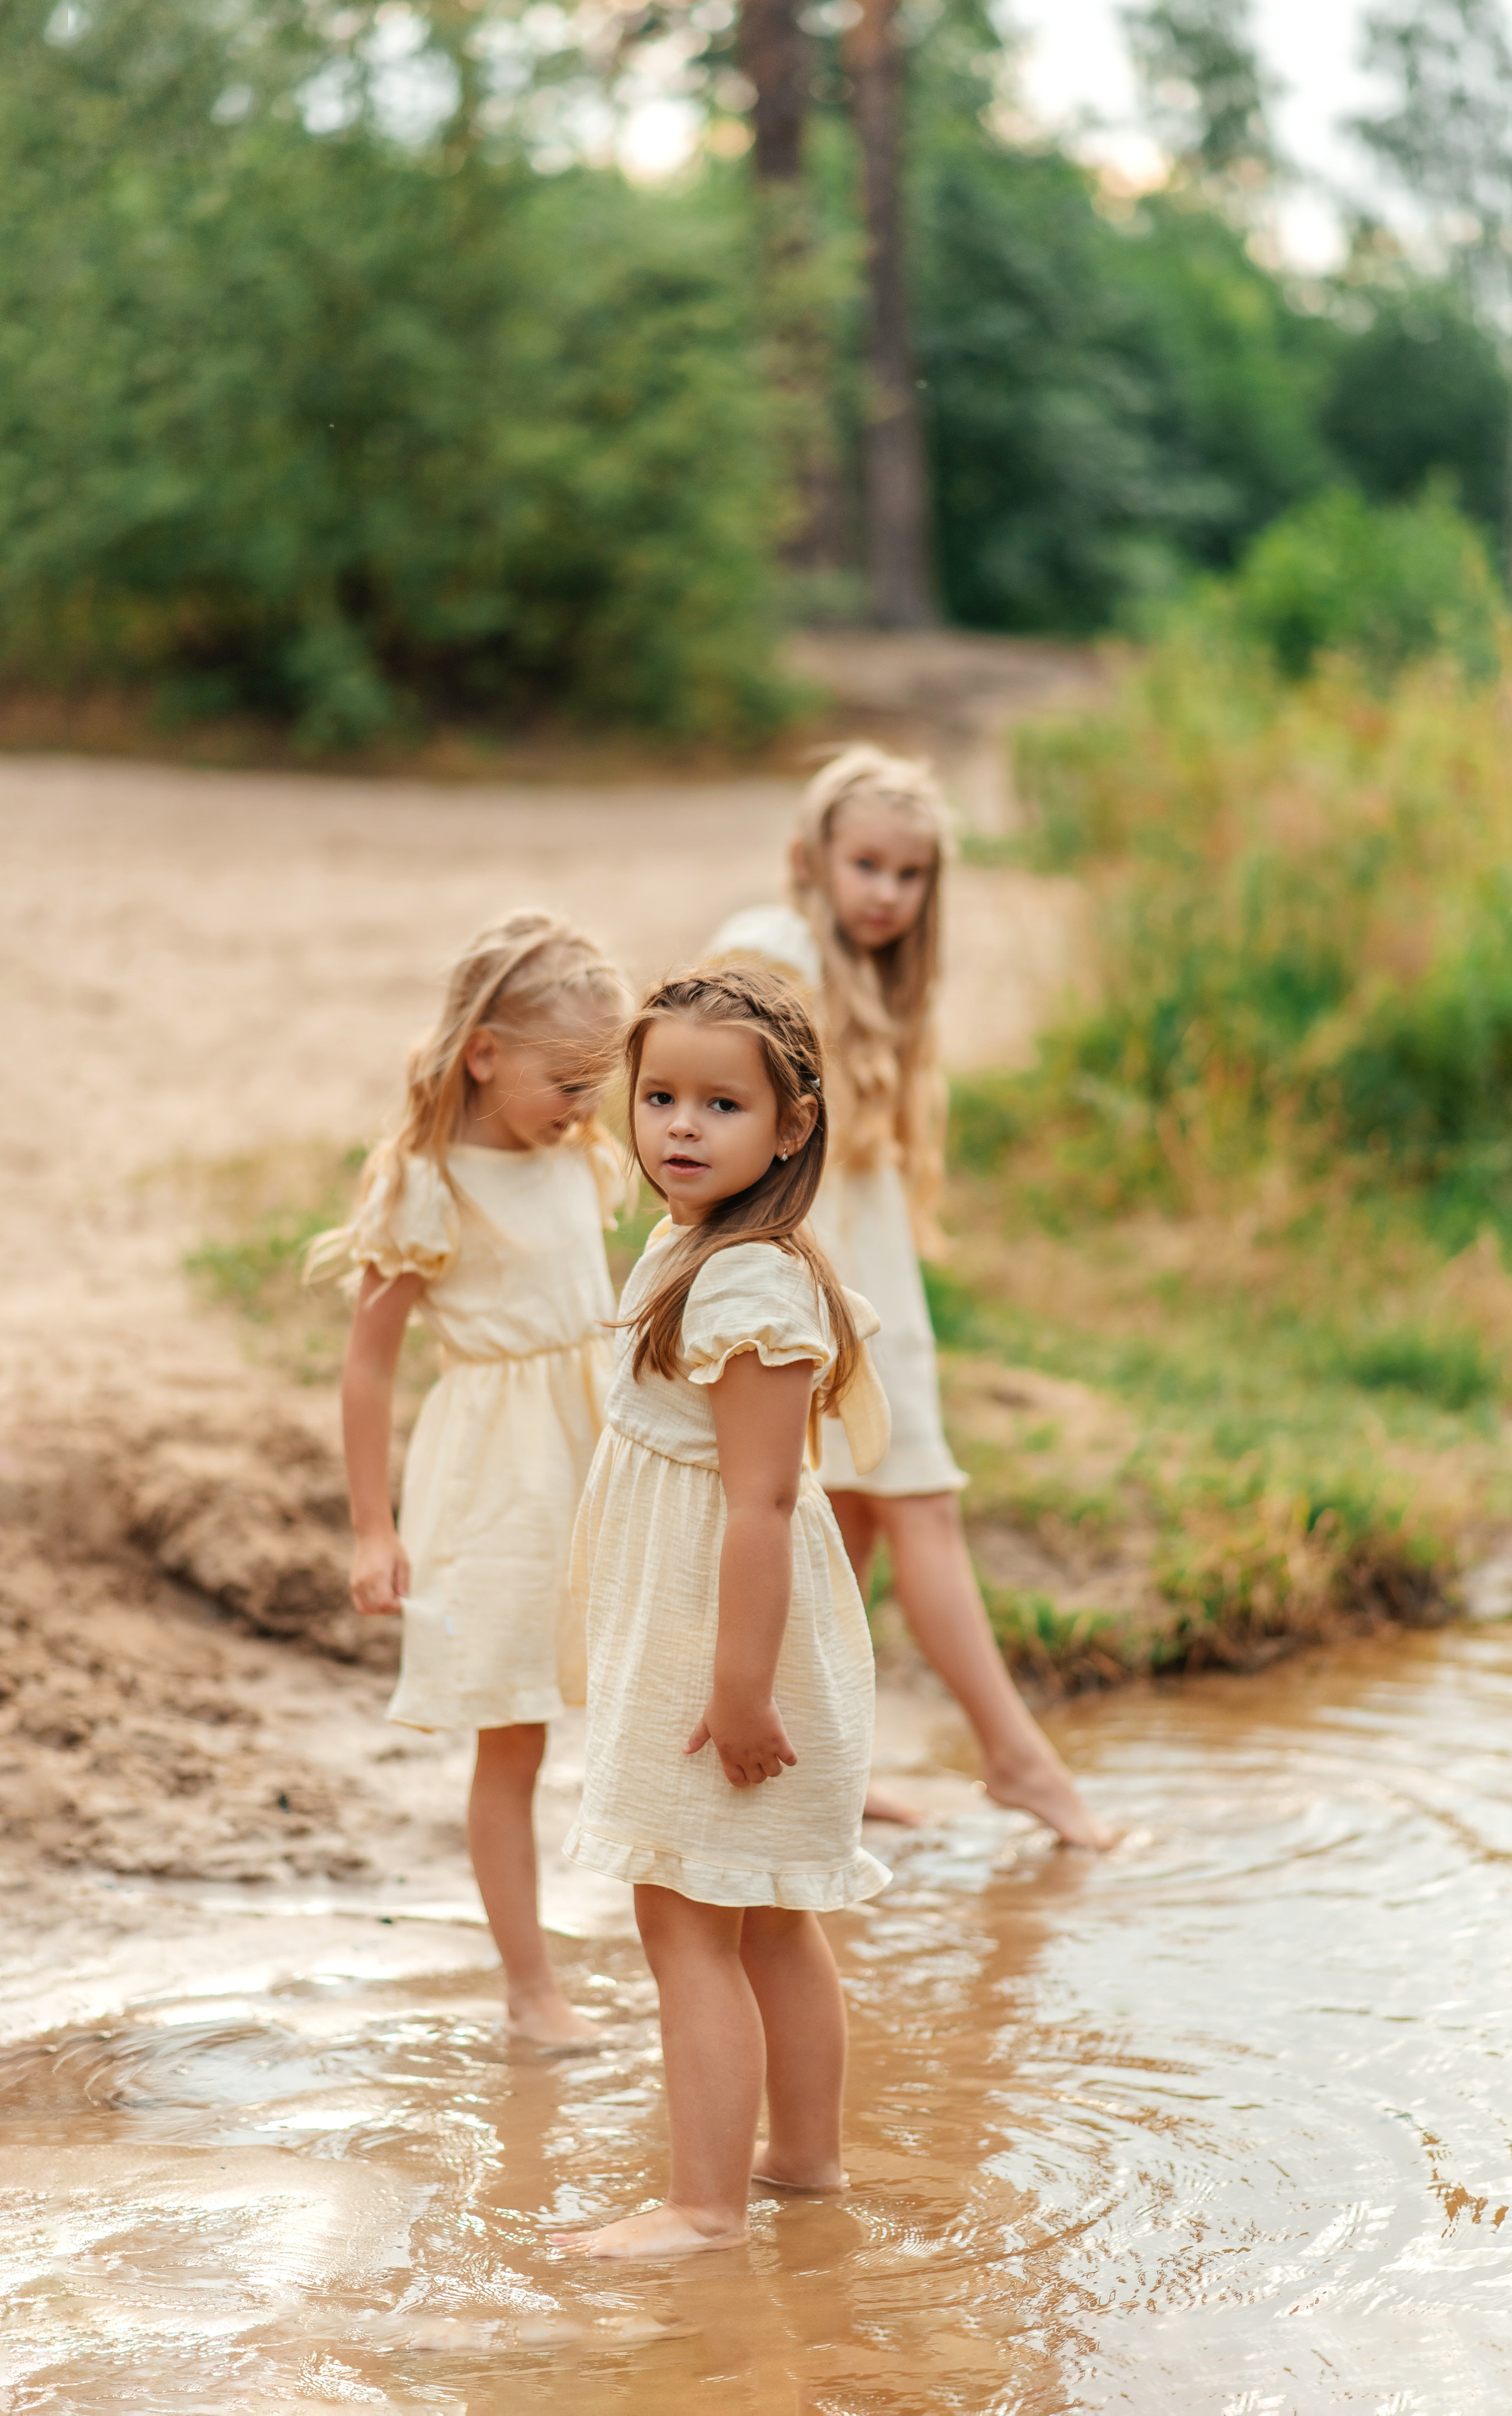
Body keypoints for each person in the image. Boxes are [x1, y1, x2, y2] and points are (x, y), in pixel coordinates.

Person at [710, 745, 1113, 1850]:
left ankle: (826, 1766)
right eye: (867, 866)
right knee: (918, 1501)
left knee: (851, 1524)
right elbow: (720, 1100)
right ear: (813, 859)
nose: (887, 894)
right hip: (818, 1282)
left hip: (874, 1275)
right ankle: (1019, 1759)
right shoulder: (776, 949)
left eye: (910, 874)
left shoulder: (885, 978)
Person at [557, 965, 891, 2259]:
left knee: (686, 1913)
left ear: (789, 1128)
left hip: (728, 1642)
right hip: (712, 1629)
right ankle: (800, 2162)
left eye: (719, 1106)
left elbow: (760, 1503)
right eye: (658, 1098)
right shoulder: (692, 1243)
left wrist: (738, 1691)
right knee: (756, 1911)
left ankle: (704, 2210)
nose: (680, 1129)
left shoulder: (749, 1287)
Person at [309, 907, 627, 2045]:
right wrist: (371, 1531)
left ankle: (690, 1936)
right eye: (568, 1079)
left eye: (602, 1082)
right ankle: (530, 1985)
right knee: (515, 1730)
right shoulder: (429, 1186)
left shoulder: (581, 1158)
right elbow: (366, 1370)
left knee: (644, 1691)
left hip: (601, 1460)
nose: (588, 1106)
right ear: (485, 1053)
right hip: (499, 1485)